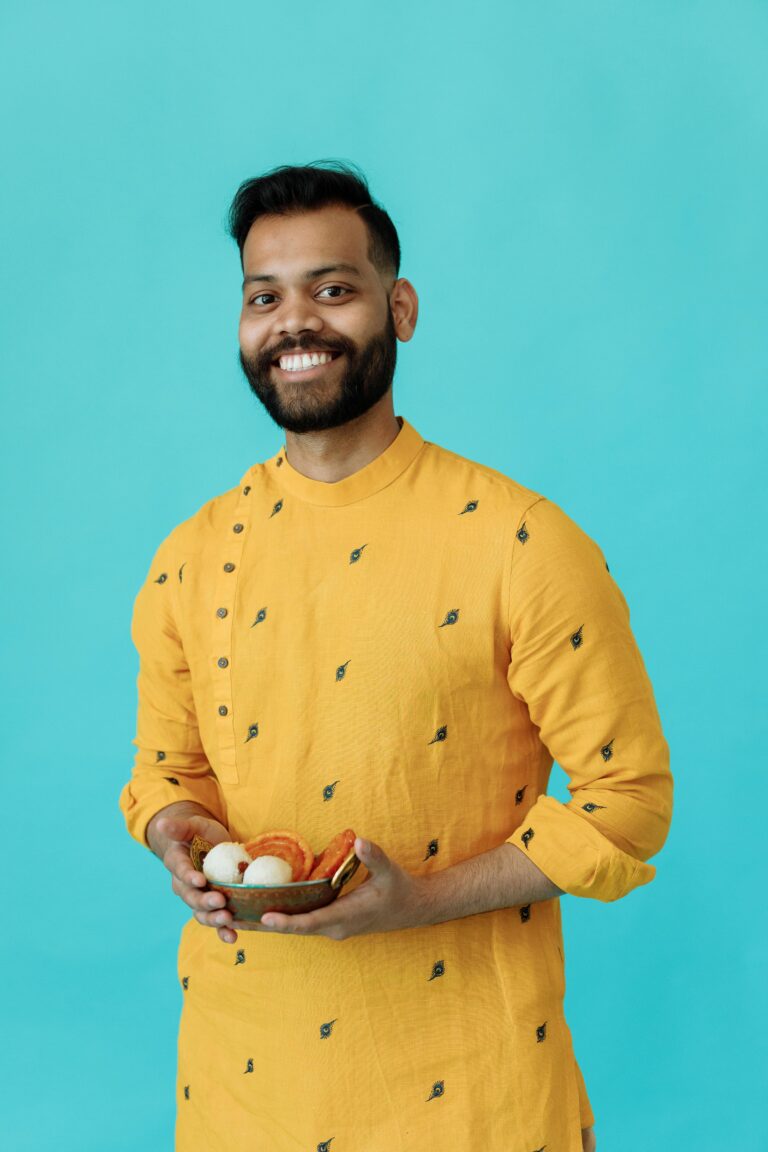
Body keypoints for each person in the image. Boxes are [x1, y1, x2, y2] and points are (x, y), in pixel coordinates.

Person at [120, 161, 673, 1152]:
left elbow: (627, 803)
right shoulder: (191, 556)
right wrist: (177, 833)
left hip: (471, 1097)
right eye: (264, 297)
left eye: (334, 289)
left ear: (400, 307)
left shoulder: (520, 542)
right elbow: (166, 773)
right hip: (240, 1089)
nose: (296, 323)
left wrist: (419, 901)